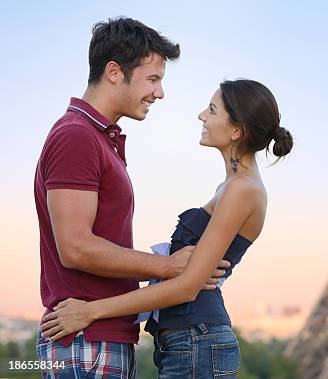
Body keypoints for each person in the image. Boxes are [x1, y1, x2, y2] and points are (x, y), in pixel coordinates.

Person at [40, 79, 294, 379]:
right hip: (187, 341)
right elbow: (181, 273)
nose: (202, 116)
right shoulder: (231, 187)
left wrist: (90, 311)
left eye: (212, 110)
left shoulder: (243, 190)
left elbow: (187, 286)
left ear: (237, 130)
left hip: (198, 340)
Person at [34, 17, 228, 378]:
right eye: (152, 79)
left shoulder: (97, 138)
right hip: (86, 341)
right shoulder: (77, 137)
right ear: (113, 72)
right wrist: (168, 266)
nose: (160, 92)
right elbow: (75, 247)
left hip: (97, 338)